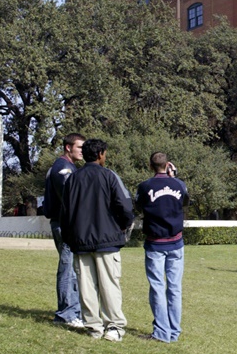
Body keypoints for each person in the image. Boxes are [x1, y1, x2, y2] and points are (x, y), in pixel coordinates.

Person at [61, 139, 135, 341]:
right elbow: (126, 205)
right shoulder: (109, 176)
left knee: (86, 287)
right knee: (109, 285)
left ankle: (94, 327)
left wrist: (69, 238)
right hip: (107, 240)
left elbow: (65, 213)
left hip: (80, 241)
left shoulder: (72, 179)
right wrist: (124, 225)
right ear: (101, 154)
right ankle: (114, 327)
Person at [135, 153, 189, 343]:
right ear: (167, 165)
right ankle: (174, 331)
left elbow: (139, 206)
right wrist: (173, 178)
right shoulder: (180, 185)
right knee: (174, 288)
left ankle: (162, 332)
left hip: (155, 243)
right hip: (176, 242)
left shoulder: (145, 186)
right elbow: (185, 202)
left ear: (151, 166)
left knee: (157, 287)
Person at [43, 133, 85, 329]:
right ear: (68, 147)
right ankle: (66, 314)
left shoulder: (68, 167)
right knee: (67, 269)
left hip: (65, 223)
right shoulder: (63, 168)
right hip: (64, 224)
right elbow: (71, 198)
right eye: (79, 148)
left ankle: (73, 311)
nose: (82, 152)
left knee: (72, 269)